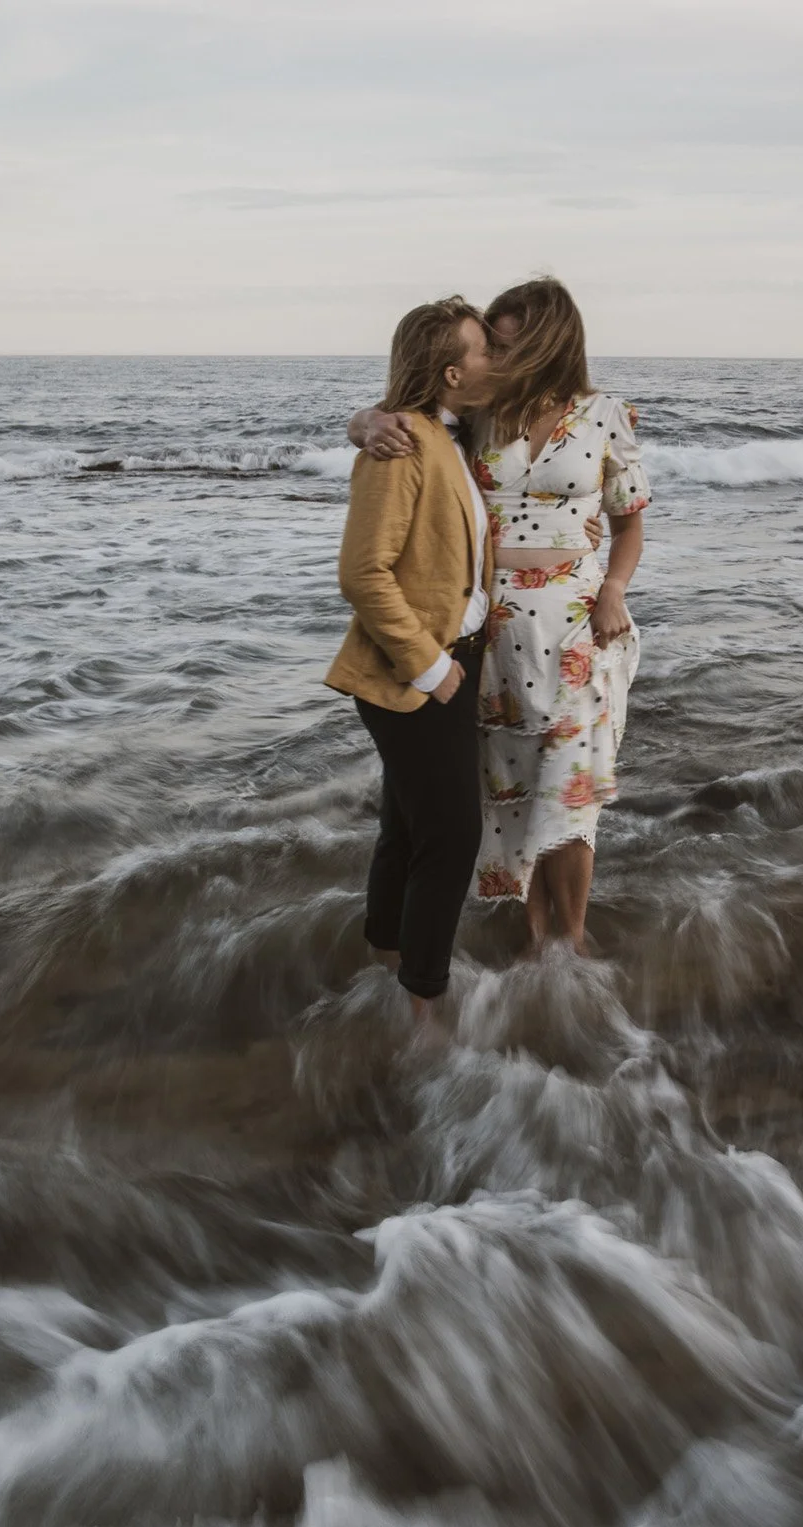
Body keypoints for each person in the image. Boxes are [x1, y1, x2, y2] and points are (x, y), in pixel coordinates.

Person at [351, 278, 650, 955]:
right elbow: (409, 414)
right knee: (512, 791)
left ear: (549, 343)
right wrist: (365, 422)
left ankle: (568, 947)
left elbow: (628, 524)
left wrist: (615, 592)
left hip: (580, 625)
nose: (500, 359)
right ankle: (528, 937)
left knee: (570, 794)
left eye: (510, 345)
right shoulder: (477, 416)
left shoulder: (605, 416)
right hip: (490, 633)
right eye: (494, 348)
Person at [326, 295, 495, 1021]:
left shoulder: (455, 430)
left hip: (461, 657)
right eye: (486, 350)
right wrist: (432, 668)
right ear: (453, 372)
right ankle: (424, 1010)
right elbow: (362, 574)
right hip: (420, 670)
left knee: (406, 825)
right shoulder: (400, 447)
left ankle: (384, 958)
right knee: (451, 838)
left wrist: (359, 415)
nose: (498, 360)